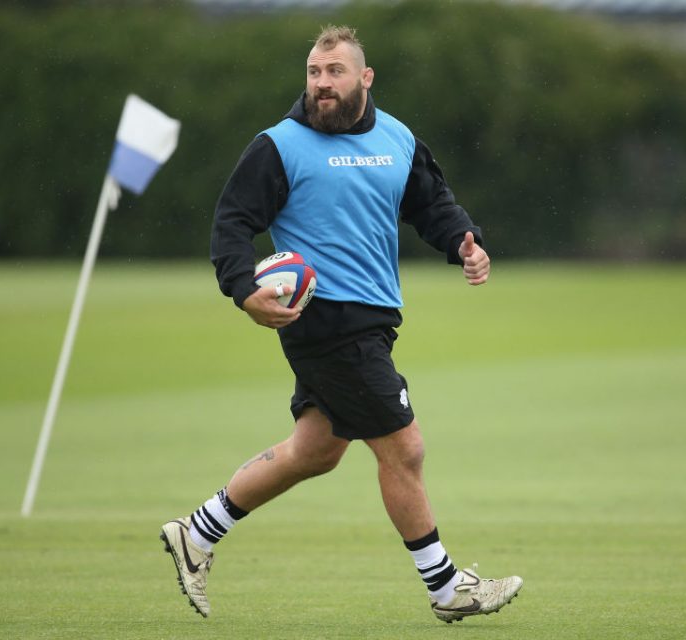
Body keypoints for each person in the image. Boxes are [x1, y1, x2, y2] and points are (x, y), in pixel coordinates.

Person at [160, 24, 522, 624]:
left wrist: (466, 243)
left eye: (334, 73)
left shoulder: (397, 138)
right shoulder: (279, 145)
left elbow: (431, 204)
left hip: (374, 319)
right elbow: (231, 224)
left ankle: (196, 535)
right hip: (326, 322)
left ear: (364, 78)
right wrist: (243, 289)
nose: (321, 85)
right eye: (313, 73)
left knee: (316, 451)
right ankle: (445, 588)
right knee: (404, 448)